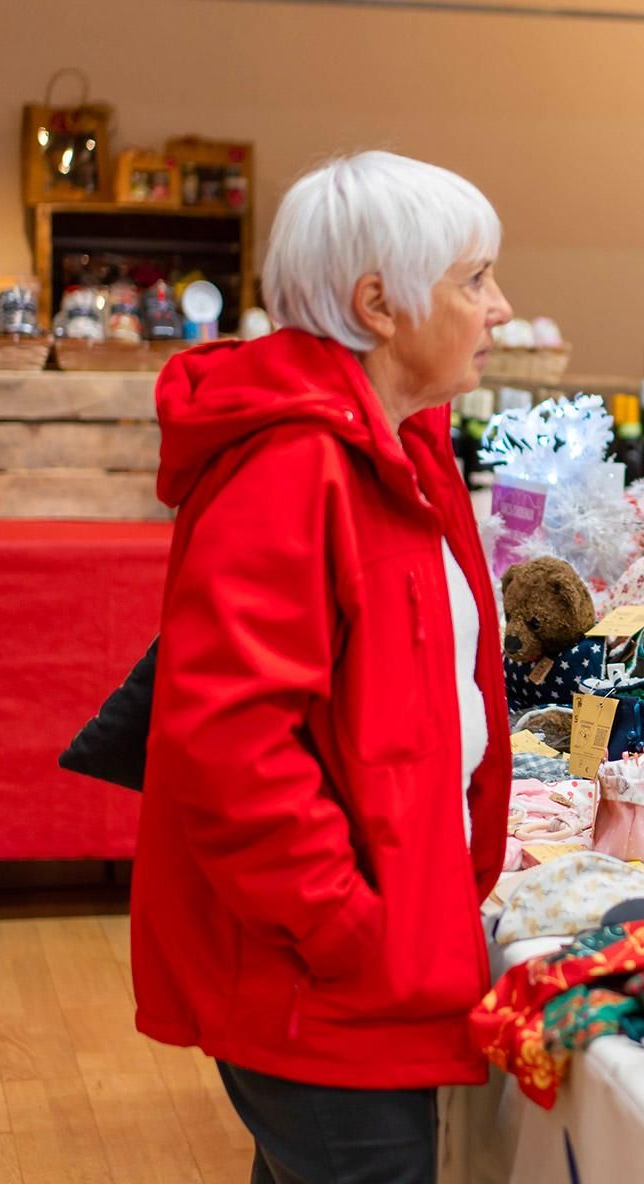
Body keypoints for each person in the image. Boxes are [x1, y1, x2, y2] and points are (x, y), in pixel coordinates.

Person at [131, 151, 516, 1183]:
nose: (500, 308)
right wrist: (352, 926)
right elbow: (227, 745)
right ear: (378, 302)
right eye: (475, 279)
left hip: (369, 956)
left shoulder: (399, 441)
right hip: (323, 979)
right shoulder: (292, 467)